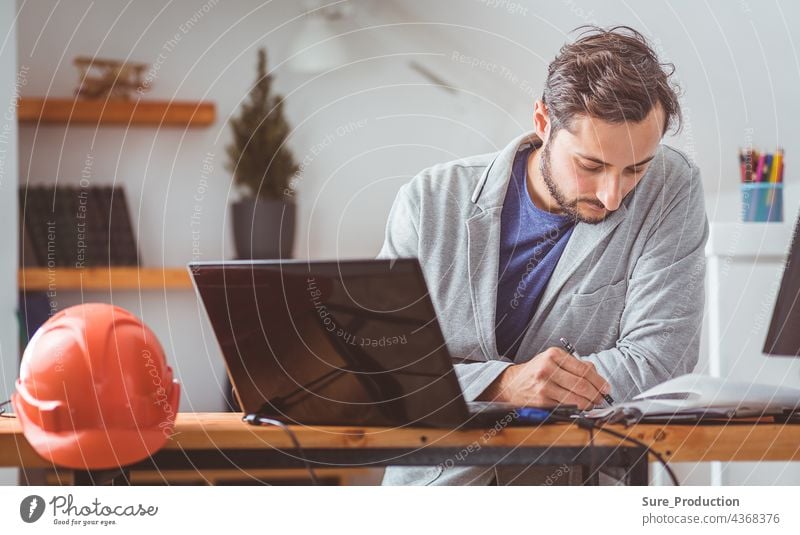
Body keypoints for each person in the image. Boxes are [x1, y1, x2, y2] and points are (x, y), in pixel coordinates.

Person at [378, 25, 708, 485]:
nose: (613, 197)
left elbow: (661, 362)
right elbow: (385, 369)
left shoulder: (671, 188)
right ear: (542, 123)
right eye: (591, 166)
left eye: (635, 169)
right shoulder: (429, 199)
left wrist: (479, 385)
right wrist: (503, 385)